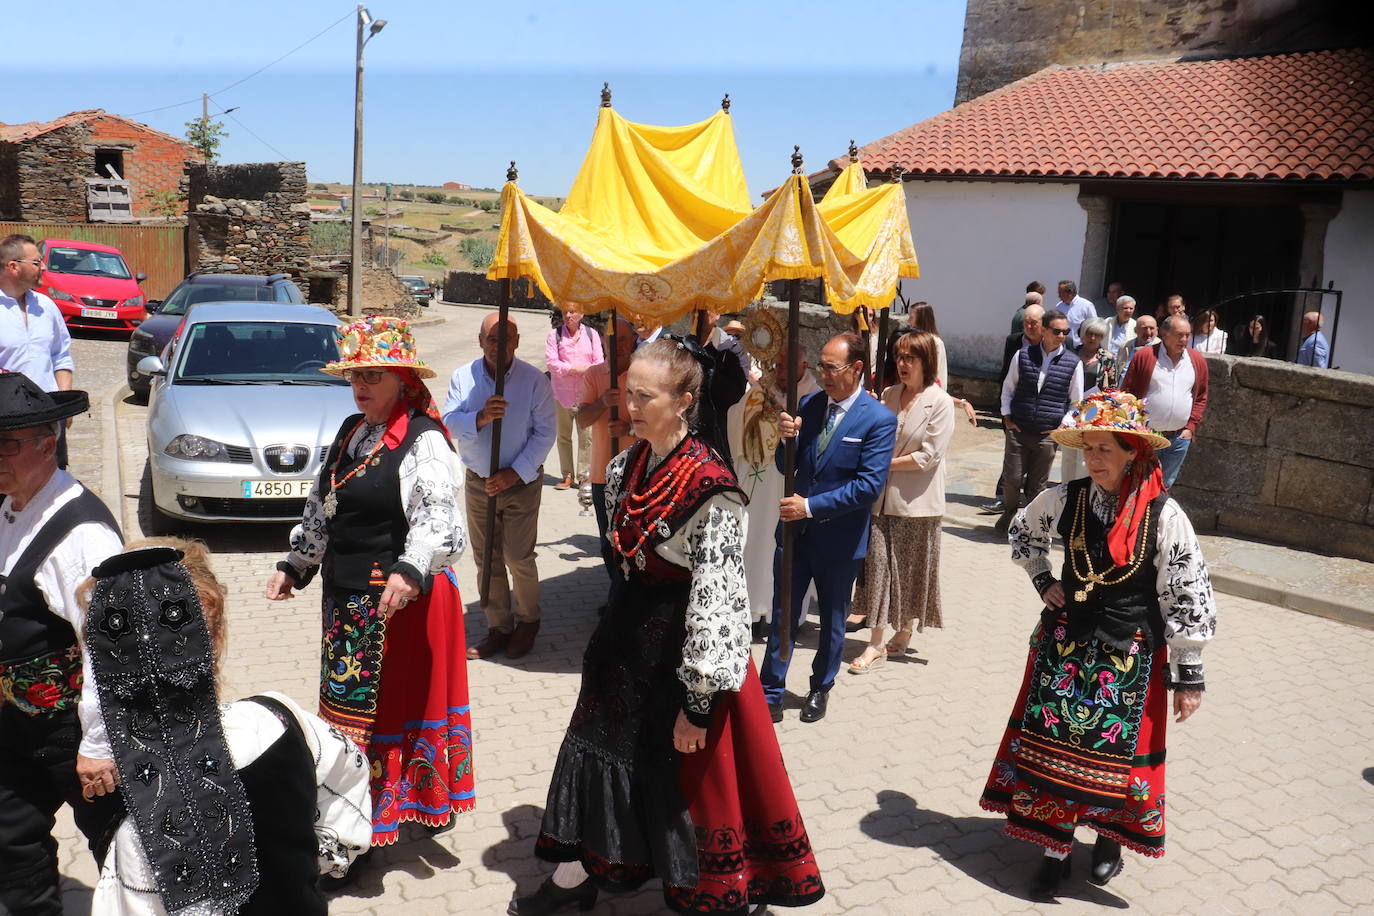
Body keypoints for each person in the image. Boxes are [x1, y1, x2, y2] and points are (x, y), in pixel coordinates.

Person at [511, 337, 824, 916]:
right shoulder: (626, 466)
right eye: (628, 393)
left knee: (691, 780)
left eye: (645, 396)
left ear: (683, 399)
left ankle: (718, 892)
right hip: (623, 651)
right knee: (600, 752)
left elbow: (720, 601)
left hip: (685, 657)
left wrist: (698, 702)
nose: (630, 405)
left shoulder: (714, 488)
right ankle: (582, 873)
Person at [979, 391, 1215, 902]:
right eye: (1088, 449)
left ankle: (1110, 842)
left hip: (1129, 655)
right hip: (1066, 648)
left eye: (1104, 449)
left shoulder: (1165, 515)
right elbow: (1024, 533)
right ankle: (1054, 850)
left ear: (1133, 450)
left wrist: (1189, 673)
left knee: (1118, 758)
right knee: (1057, 752)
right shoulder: (1067, 497)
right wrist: (1044, 581)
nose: (1093, 459)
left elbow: (1187, 589)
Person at [266, 316, 474, 857]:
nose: (360, 386)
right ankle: (360, 819)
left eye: (373, 376)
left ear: (403, 379)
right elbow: (321, 504)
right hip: (345, 603)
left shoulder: (424, 441)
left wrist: (411, 568)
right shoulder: (350, 432)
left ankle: (361, 837)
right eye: (355, 375)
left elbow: (438, 518)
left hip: (393, 607)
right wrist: (297, 564)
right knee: (346, 716)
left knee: (378, 719)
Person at [89, 540, 372, 914]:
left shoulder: (141, 813)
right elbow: (349, 792)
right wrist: (305, 868)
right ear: (216, 635)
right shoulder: (282, 718)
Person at [0, 373, 123, 915]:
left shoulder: (81, 533)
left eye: (5, 444)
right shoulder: (9, 505)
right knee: (11, 836)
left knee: (121, 846)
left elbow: (108, 647)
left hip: (72, 733)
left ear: (48, 445)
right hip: (16, 724)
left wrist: (97, 745)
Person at [760, 332, 897, 724]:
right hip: (794, 534)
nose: (824, 376)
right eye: (821, 367)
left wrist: (811, 507)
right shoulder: (810, 404)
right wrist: (786, 441)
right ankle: (771, 689)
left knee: (833, 622)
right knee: (783, 613)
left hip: (839, 541)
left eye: (831, 368)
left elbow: (868, 486)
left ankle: (821, 688)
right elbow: (789, 468)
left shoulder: (878, 420)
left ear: (856, 369)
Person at [443, 313, 557, 660]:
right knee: (487, 557)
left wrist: (516, 472)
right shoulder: (464, 377)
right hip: (479, 482)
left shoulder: (534, 380)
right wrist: (479, 417)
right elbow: (448, 423)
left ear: (517, 341)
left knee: (518, 556)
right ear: (481, 342)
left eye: (506, 338)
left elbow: (545, 432)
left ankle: (528, 621)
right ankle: (498, 626)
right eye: (491, 339)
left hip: (519, 482)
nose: (498, 346)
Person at [847, 330, 953, 673]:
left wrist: (883, 463)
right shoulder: (889, 395)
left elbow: (929, 456)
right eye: (899, 357)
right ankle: (876, 643)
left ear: (926, 362)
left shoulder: (941, 402)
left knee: (909, 572)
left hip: (918, 504)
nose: (902, 364)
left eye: (910, 358)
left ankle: (904, 630)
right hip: (880, 501)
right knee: (878, 570)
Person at [734, 348, 821, 633]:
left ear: (804, 365)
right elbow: (735, 419)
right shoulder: (762, 391)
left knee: (781, 550)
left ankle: (780, 615)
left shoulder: (815, 396)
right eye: (777, 366)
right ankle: (750, 609)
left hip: (788, 486)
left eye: (787, 366)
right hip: (756, 484)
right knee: (752, 543)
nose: (781, 373)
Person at [996, 310, 1084, 536]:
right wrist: (1007, 417)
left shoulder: (1074, 363)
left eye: (1065, 331)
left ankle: (1031, 524)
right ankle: (1009, 512)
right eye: (1056, 331)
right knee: (1012, 478)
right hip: (1019, 428)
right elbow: (1008, 388)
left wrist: (1061, 427)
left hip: (1048, 434)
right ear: (1043, 330)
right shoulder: (1023, 355)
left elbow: (1077, 403)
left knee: (1038, 484)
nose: (1062, 335)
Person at [0, 235, 76, 469]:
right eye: (36, 262)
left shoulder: (47, 306)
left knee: (52, 484)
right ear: (13, 266)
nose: (43, 267)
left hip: (49, 417)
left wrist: (64, 401)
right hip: (7, 422)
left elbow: (61, 356)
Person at [577, 316, 637, 600]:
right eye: (610, 341)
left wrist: (630, 428)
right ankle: (618, 600)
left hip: (638, 473)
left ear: (634, 341)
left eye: (622, 340)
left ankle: (626, 603)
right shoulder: (594, 374)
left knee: (634, 543)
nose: (616, 347)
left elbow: (660, 422)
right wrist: (603, 402)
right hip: (603, 474)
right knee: (607, 543)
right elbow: (581, 420)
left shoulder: (644, 373)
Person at [1121, 315, 1209, 489]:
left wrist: (1190, 427)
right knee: (1136, 485)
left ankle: (1154, 517)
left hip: (1178, 439)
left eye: (1187, 335)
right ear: (1165, 334)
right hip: (1146, 437)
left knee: (1164, 487)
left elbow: (1201, 397)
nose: (1184, 340)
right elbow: (1127, 393)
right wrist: (1134, 429)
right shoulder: (1145, 356)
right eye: (1179, 335)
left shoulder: (1196, 361)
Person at [546, 305, 603, 490]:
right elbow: (552, 363)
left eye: (572, 312)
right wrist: (574, 369)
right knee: (563, 436)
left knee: (586, 438)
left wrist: (573, 369)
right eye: (565, 312)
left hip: (586, 395)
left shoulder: (591, 334)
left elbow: (599, 362)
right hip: (561, 394)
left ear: (582, 313)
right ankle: (567, 475)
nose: (568, 315)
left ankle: (584, 476)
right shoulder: (554, 335)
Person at [1059, 318, 1116, 483]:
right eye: (1089, 334)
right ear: (1082, 335)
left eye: (1097, 335)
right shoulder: (1070, 354)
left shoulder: (1107, 359)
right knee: (1068, 456)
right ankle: (1066, 491)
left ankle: (1081, 492)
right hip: (1071, 410)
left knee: (1085, 457)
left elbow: (1112, 388)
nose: (1092, 338)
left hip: (1093, 414)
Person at [1056, 280, 1097, 348]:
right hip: (1062, 347)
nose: (1059, 296)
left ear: (1070, 292)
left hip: (1079, 348)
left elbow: (1094, 327)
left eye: (1061, 293)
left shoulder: (1086, 306)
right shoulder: (1059, 307)